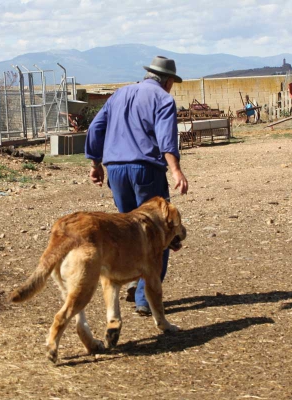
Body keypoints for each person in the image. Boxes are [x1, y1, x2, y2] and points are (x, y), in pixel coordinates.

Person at [85, 55, 189, 316]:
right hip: (146, 170)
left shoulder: (119, 95)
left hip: (117, 171)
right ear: (167, 82)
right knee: (158, 233)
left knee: (128, 231)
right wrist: (176, 170)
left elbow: (96, 128)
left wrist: (95, 163)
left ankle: (130, 280)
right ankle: (145, 297)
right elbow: (167, 138)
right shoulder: (163, 99)